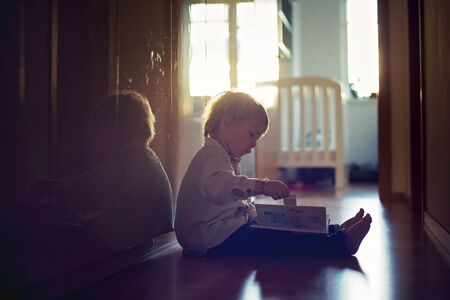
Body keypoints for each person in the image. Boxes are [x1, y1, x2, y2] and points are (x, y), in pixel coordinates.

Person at [175, 90, 372, 257]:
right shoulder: (212, 157)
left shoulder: (223, 156)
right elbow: (223, 187)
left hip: (222, 230)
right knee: (276, 241)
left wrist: (256, 214)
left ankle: (334, 231)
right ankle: (339, 244)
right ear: (226, 124)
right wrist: (261, 186)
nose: (253, 144)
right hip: (208, 237)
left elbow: (233, 199)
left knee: (278, 226)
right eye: (251, 134)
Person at [24, 90, 174, 254]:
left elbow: (90, 185)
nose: (98, 142)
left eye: (101, 134)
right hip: (151, 243)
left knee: (50, 236)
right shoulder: (149, 157)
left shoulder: (127, 157)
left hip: (128, 244)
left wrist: (51, 187)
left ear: (119, 129)